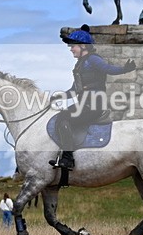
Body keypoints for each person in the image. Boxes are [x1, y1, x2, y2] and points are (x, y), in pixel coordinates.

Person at [50, 25, 136, 170]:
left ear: (83, 46)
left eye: (73, 46)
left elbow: (108, 69)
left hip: (93, 105)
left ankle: (68, 158)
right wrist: (58, 97)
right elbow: (74, 90)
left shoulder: (93, 60)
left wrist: (125, 69)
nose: (71, 49)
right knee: (60, 117)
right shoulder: (80, 64)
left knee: (64, 119)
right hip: (84, 104)